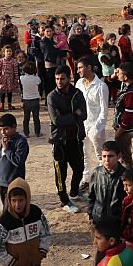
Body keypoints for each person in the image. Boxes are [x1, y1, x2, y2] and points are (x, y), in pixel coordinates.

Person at [81, 141, 127, 266]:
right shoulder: (97, 173)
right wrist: (90, 215)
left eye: (111, 156)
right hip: (99, 220)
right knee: (100, 253)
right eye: (104, 157)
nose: (107, 160)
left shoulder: (124, 175)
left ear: (119, 156)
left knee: (118, 254)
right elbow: (91, 197)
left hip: (116, 222)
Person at [47, 66, 87, 213]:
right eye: (57, 79)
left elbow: (84, 115)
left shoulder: (77, 93)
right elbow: (56, 120)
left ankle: (74, 192)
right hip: (59, 140)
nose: (59, 81)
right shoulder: (52, 97)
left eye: (62, 78)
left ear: (69, 78)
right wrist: (74, 115)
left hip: (75, 138)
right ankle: (64, 200)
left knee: (79, 168)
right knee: (60, 173)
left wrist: (70, 116)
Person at [0, 113, 28, 202]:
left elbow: (18, 161)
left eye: (6, 129)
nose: (3, 132)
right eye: (1, 129)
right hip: (1, 182)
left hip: (14, 183)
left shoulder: (21, 142)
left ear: (14, 127)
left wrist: (6, 150)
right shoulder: (1, 143)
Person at [112, 64, 133, 167]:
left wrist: (120, 130)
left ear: (125, 77)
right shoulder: (129, 83)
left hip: (125, 129)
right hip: (125, 127)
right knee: (125, 153)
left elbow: (128, 115)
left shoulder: (130, 94)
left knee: (125, 155)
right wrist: (114, 75)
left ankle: (130, 176)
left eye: (119, 73)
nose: (117, 74)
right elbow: (111, 82)